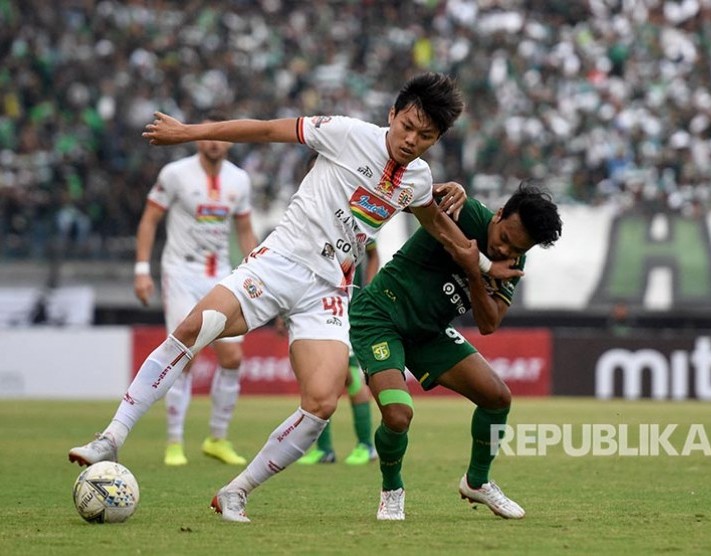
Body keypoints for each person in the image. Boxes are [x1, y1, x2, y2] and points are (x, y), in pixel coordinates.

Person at [68, 72, 515, 523]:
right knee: (194, 328)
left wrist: (484, 267)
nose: (411, 140)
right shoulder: (344, 133)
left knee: (321, 403)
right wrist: (188, 132)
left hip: (329, 291)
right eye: (407, 127)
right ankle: (112, 436)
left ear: (436, 139)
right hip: (280, 262)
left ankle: (235, 492)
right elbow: (265, 129)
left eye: (426, 136)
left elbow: (439, 227)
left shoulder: (418, 179)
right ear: (392, 114)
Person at [349, 182, 562, 520]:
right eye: (504, 239)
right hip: (380, 316)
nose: (504, 251)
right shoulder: (464, 211)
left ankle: (477, 481)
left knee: (498, 397)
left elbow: (489, 323)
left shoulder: (512, 261)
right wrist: (433, 190)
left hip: (428, 332)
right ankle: (392, 490)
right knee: (398, 415)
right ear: (498, 214)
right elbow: (401, 201)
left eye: (516, 249)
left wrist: (475, 273)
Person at [133, 112, 258, 467]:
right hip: (181, 271)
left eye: (221, 136)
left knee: (232, 357)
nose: (214, 142)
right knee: (183, 354)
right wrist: (142, 270)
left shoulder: (240, 180)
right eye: (208, 135)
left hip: (220, 274)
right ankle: (174, 442)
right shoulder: (175, 174)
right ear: (199, 137)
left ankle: (217, 438)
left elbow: (245, 231)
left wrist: (258, 271)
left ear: (229, 140)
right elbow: (149, 220)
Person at [296, 238, 380, 466]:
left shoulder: (357, 224)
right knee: (318, 378)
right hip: (317, 310)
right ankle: (324, 449)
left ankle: (366, 445)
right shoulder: (313, 226)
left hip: (347, 312)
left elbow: (373, 255)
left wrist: (369, 289)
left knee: (352, 377)